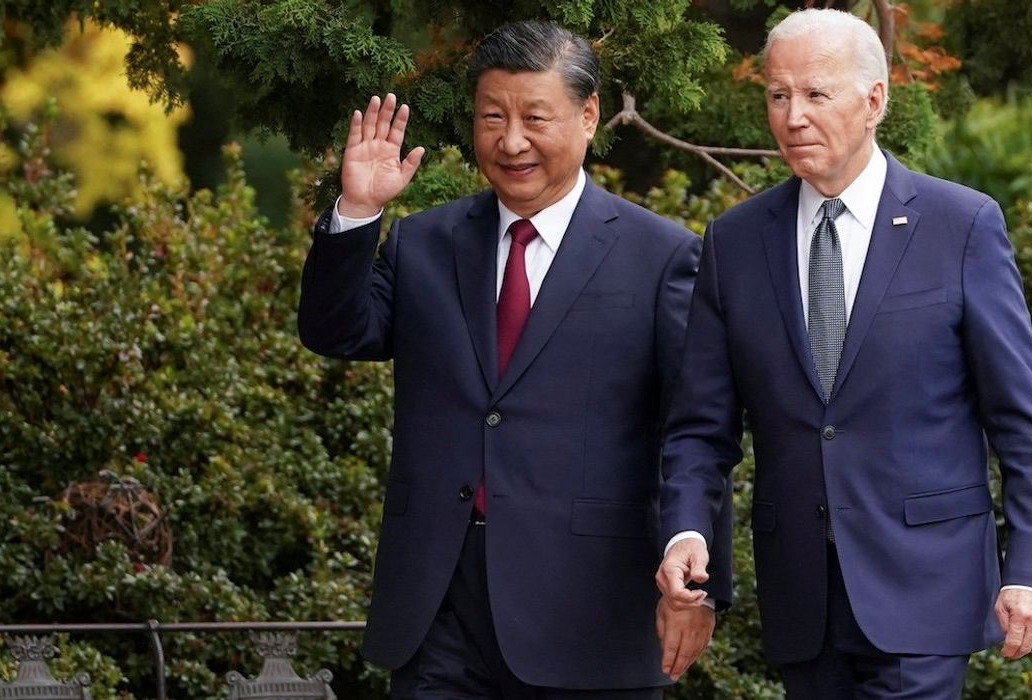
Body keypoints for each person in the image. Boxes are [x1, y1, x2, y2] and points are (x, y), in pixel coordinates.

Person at [298, 20, 732, 699]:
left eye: (535, 118)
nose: (510, 142)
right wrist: (356, 211)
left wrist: (701, 582)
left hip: (590, 613)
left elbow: (697, 429)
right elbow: (336, 331)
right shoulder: (425, 243)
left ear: (588, 115)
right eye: (492, 117)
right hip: (439, 604)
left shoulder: (662, 258)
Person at [655, 9, 1032, 698]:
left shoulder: (961, 226)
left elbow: (1021, 420)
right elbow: (701, 427)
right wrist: (686, 533)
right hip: (801, 599)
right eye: (777, 94)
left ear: (874, 100)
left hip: (926, 589)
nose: (792, 116)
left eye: (815, 94)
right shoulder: (734, 242)